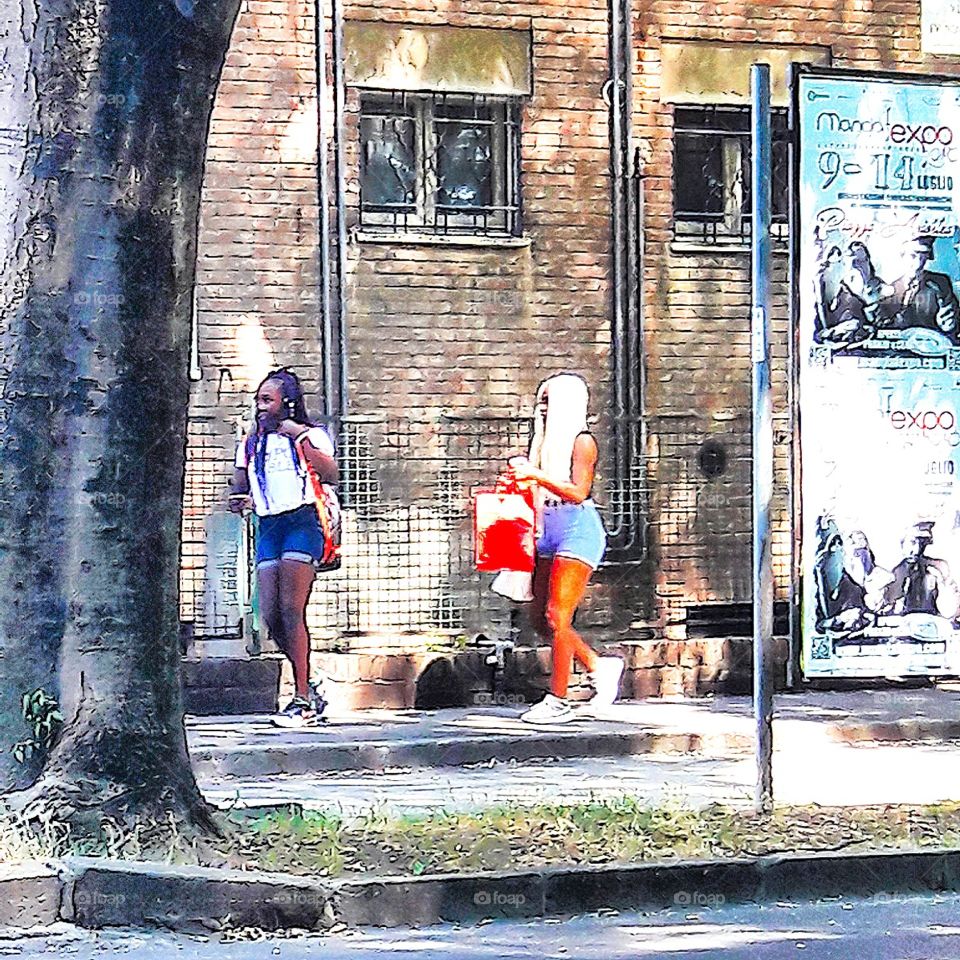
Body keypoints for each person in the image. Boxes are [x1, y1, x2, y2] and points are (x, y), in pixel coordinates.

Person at [508, 373, 624, 724]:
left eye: (549, 402)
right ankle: (597, 666)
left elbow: (578, 491)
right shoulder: (542, 444)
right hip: (546, 529)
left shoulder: (581, 441)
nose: (542, 409)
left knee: (559, 615)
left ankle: (559, 700)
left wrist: (535, 476)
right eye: (540, 401)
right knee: (541, 619)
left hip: (577, 530)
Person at [229, 369, 338, 728]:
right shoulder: (251, 441)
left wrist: (301, 437)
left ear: (286, 403)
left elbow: (331, 473)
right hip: (269, 524)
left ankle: (303, 699)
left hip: (302, 522)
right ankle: (311, 675)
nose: (260, 407)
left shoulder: (311, 435)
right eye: (258, 400)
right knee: (271, 615)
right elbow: (239, 483)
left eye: (267, 400)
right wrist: (240, 495)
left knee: (292, 610)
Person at [877, 236, 960, 343]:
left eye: (923, 257)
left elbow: (953, 321)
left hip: (931, 346)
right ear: (902, 255)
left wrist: (948, 324)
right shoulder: (890, 287)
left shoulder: (939, 284)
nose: (918, 264)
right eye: (913, 256)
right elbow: (880, 324)